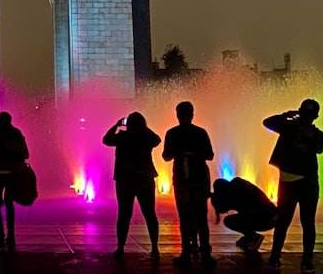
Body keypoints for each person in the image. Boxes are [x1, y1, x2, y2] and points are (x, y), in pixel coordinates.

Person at [264, 99, 323, 274]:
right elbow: (320, 149)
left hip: (289, 183)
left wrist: (287, 116)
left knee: (283, 222)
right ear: (316, 116)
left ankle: (275, 258)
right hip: (308, 183)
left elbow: (267, 122)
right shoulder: (318, 134)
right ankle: (307, 261)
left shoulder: (288, 127)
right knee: (308, 223)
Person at [163, 101, 215, 269]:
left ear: (177, 115)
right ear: (192, 114)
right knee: (201, 218)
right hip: (199, 180)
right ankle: (205, 254)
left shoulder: (172, 133)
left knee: (185, 218)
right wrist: (194, 153)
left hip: (183, 181)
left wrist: (181, 152)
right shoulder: (201, 133)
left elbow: (166, 156)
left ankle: (186, 253)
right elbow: (210, 155)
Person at [103, 111, 161, 259]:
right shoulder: (146, 137)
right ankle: (154, 247)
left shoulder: (122, 137)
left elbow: (106, 140)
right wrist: (145, 128)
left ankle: (121, 247)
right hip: (145, 179)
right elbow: (157, 139)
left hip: (125, 179)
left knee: (124, 214)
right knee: (149, 214)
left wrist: (116, 125)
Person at [0, 111, 29, 251]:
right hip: (13, 173)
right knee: (9, 203)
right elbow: (26, 154)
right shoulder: (17, 133)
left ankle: (0, 236)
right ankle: (11, 236)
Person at [211, 177, 278, 253]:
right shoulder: (239, 184)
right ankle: (249, 238)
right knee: (245, 215)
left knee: (229, 221)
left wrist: (214, 198)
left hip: (264, 219)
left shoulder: (231, 193)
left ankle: (253, 237)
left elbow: (222, 209)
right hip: (273, 216)